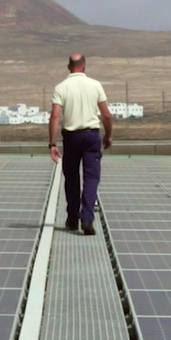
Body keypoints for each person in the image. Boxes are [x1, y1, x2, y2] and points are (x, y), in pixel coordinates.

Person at [49, 53, 113, 235]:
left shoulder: (61, 87)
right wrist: (107, 135)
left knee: (72, 177)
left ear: (69, 67)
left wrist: (52, 143)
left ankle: (72, 218)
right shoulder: (95, 85)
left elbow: (55, 116)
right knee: (91, 178)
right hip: (91, 136)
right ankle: (87, 218)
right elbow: (106, 115)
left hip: (71, 137)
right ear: (84, 67)